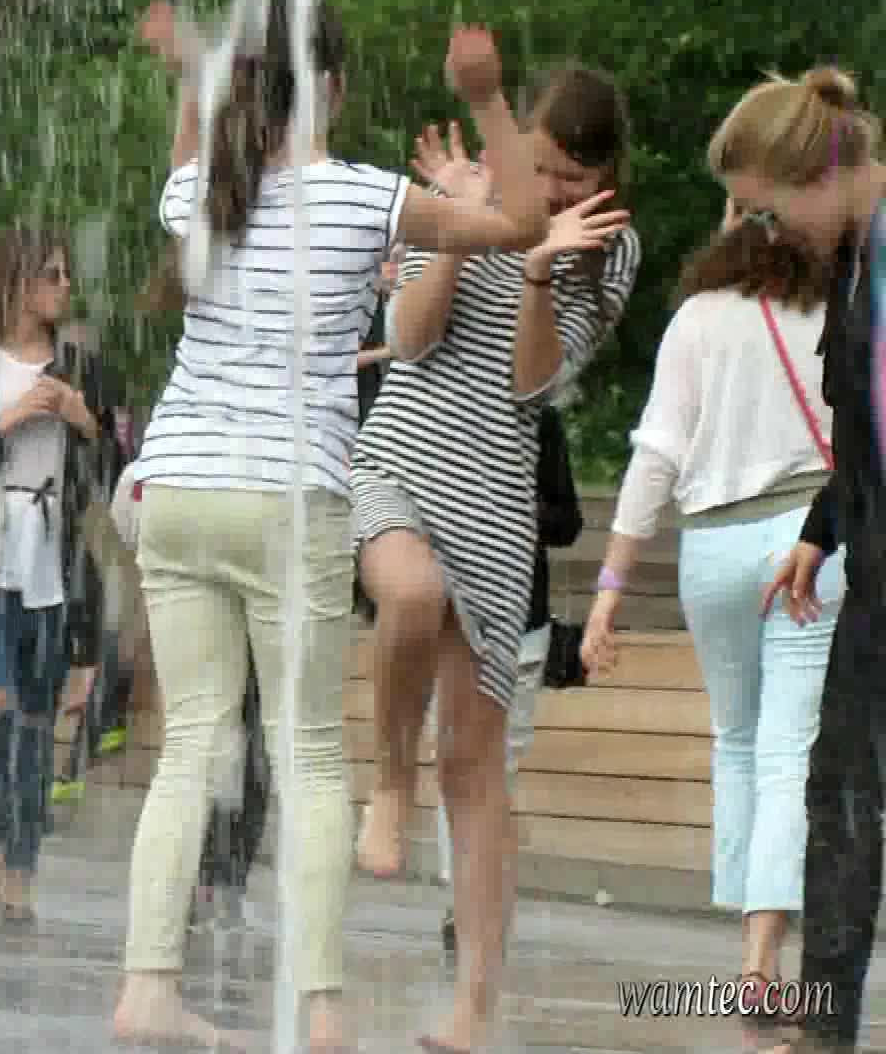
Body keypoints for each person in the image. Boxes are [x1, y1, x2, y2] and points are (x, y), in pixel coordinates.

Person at [113, 0, 555, 1052]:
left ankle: (148, 986)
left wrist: (196, 75)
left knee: (190, 749)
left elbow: (194, 148)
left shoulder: (200, 191)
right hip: (287, 496)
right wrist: (487, 101)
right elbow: (524, 226)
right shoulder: (367, 198)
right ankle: (320, 1009)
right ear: (336, 90)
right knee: (309, 751)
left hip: (176, 488)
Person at [352, 61, 639, 1051]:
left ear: (604, 177)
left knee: (475, 769)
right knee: (408, 593)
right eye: (541, 165)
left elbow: (531, 386)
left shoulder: (609, 249)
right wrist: (464, 221)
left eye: (571, 176)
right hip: (400, 459)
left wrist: (538, 267)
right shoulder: (471, 192)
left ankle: (473, 1007)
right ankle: (390, 782)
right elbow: (409, 337)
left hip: (495, 507)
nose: (551, 189)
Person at [581, 208, 836, 1047]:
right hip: (806, 537)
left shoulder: (696, 317)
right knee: (789, 747)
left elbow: (656, 454)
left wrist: (610, 588)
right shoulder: (836, 313)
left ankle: (748, 952)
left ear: (732, 227)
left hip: (712, 550)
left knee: (739, 741)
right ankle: (763, 962)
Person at [713, 65, 886, 1054]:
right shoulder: (858, 267)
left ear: (816, 174)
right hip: (874, 579)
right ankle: (824, 1032)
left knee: (847, 798)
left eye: (770, 212)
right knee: (838, 799)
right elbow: (863, 435)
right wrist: (821, 533)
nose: (770, 236)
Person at [0, 226, 112, 925]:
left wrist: (83, 419)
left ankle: (22, 867)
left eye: (66, 274)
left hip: (54, 556)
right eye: (52, 275)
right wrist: (7, 420)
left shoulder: (80, 366)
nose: (65, 287)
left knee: (36, 716)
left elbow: (116, 468)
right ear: (18, 283)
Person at [432, 403, 581, 949]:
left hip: (521, 621)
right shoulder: (434, 413)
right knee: (454, 760)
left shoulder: (540, 419)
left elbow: (567, 522)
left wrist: (516, 508)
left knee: (498, 766)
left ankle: (474, 901)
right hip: (451, 620)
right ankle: (463, 899)